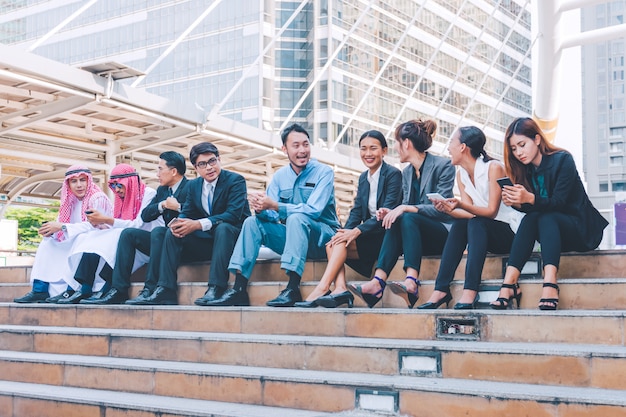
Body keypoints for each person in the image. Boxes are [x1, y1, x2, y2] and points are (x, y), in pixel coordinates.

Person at [207, 123, 340, 307]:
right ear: (284, 149)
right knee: (252, 222)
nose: (302, 150)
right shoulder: (279, 176)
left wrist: (276, 206)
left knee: (296, 217)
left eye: (306, 144)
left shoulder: (324, 172)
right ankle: (238, 289)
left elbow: (314, 210)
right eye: (296, 145)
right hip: (294, 239)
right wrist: (261, 208)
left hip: (323, 239)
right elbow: (271, 215)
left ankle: (292, 288)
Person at [490, 117, 608, 310]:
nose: (519, 152)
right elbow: (534, 208)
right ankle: (509, 284)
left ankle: (550, 283)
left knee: (545, 217)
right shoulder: (525, 170)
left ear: (537, 139)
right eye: (514, 149)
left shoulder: (563, 159)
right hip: (553, 234)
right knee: (533, 217)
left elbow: (558, 203)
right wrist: (516, 203)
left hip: (582, 230)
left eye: (522, 145)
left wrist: (528, 199)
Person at [348, 119, 455, 308]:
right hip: (415, 238)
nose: (396, 148)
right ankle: (377, 283)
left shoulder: (443, 166)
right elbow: (405, 208)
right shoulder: (406, 173)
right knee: (398, 217)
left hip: (442, 235)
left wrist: (405, 208)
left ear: (406, 143)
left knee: (406, 214)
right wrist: (389, 212)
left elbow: (443, 209)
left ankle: (412, 281)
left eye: (397, 143)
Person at [417, 126, 524, 310]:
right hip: (483, 231)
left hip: (510, 234)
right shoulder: (462, 174)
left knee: (476, 221)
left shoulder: (493, 168)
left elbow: (491, 211)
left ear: (463, 147)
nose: (448, 148)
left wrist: (459, 204)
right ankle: (441, 289)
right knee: (461, 223)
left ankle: (470, 290)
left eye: (451, 142)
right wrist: (447, 209)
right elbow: (467, 213)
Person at [293, 130, 402, 308]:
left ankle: (323, 287)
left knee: (337, 242)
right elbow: (357, 211)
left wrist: (356, 230)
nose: (368, 154)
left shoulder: (393, 174)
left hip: (387, 236)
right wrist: (344, 232)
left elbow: (388, 210)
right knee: (334, 241)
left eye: (373, 148)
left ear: (384, 151)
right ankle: (340, 288)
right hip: (368, 235)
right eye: (363, 149)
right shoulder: (363, 178)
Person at [132, 142, 250, 306]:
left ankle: (216, 287)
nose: (209, 167)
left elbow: (233, 215)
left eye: (212, 161)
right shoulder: (194, 186)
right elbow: (187, 213)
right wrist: (179, 224)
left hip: (231, 240)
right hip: (206, 243)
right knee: (162, 232)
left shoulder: (235, 181)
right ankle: (165, 289)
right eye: (202, 164)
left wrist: (197, 224)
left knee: (223, 228)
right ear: (196, 168)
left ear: (219, 160)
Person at [84, 151, 189, 304]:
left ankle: (149, 289)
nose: (157, 173)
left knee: (159, 233)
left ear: (173, 171)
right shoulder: (162, 191)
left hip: (183, 242)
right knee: (128, 234)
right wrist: (163, 204)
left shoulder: (191, 187)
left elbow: (197, 212)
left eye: (160, 169)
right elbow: (146, 215)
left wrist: (178, 206)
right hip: (161, 240)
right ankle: (118, 290)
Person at [57, 163, 158, 304]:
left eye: (119, 185)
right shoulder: (121, 198)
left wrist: (106, 220)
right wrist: (104, 225)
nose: (116, 190)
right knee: (94, 236)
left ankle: (107, 290)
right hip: (128, 241)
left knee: (118, 237)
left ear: (130, 182)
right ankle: (84, 288)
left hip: (147, 243)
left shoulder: (149, 193)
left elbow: (137, 225)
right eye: (113, 186)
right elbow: (120, 224)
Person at [13, 165, 112, 303]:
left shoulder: (97, 198)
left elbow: (94, 226)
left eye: (82, 180)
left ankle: (70, 291)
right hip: (74, 238)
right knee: (47, 243)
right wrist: (51, 231)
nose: (79, 185)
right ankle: (39, 290)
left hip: (94, 243)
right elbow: (62, 228)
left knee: (82, 238)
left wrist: (62, 227)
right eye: (74, 181)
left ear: (89, 181)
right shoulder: (69, 201)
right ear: (68, 184)